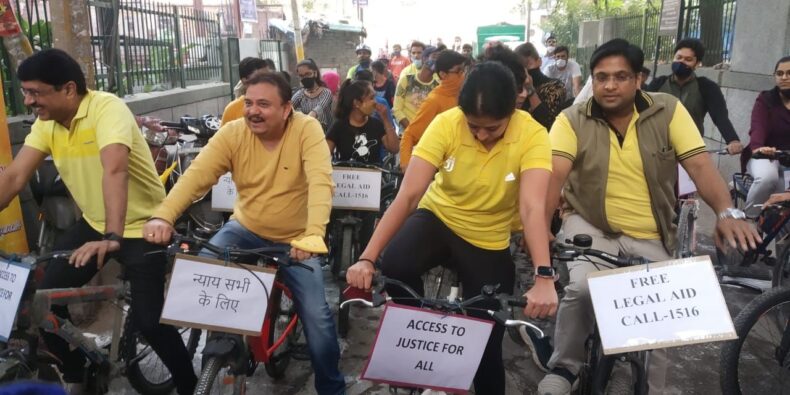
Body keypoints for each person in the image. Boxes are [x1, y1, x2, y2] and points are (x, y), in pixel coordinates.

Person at [537, 39, 760, 395]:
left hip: (651, 234)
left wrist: (726, 211)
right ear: (592, 80)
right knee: (581, 288)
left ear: (639, 79)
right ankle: (566, 366)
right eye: (601, 77)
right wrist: (540, 231)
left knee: (661, 318)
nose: (610, 85)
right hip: (590, 225)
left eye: (621, 76)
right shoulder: (571, 119)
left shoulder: (668, 110)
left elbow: (700, 165)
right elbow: (554, 176)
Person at [346, 61, 557, 395]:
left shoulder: (532, 134)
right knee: (397, 263)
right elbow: (410, 194)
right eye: (474, 127)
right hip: (439, 217)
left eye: (493, 128)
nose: (481, 135)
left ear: (512, 112)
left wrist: (544, 276)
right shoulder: (446, 123)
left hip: (488, 237)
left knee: (488, 341)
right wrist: (367, 258)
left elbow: (532, 207)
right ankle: (419, 338)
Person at [0, 49, 197, 394]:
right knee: (39, 300)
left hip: (144, 226)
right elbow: (14, 178)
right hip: (94, 224)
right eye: (26, 92)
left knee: (150, 322)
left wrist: (112, 235)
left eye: (36, 92)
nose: (29, 101)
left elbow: (115, 170)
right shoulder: (47, 123)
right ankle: (80, 372)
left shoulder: (107, 108)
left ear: (69, 89)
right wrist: (103, 230)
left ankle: (189, 384)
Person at [142, 72, 346, 395]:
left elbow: (322, 182)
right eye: (249, 103)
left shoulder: (307, 130)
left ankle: (332, 389)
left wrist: (313, 233)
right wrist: (164, 215)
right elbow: (196, 177)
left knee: (319, 323)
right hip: (246, 228)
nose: (253, 111)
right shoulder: (233, 133)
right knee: (202, 267)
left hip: (297, 239)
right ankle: (227, 339)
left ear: (286, 109)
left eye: (264, 104)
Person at [647, 38, 742, 155]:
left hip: (691, 151)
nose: (681, 62)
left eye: (688, 59)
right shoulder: (658, 84)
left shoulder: (707, 87)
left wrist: (732, 140)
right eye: (679, 57)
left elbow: (720, 117)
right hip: (657, 150)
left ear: (697, 64)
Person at [399, 50, 468, 170]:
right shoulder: (434, 101)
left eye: (463, 70)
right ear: (443, 74)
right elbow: (409, 134)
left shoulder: (465, 95)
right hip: (443, 170)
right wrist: (406, 165)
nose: (463, 75)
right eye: (458, 71)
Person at [742, 56, 790, 215]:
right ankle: (750, 219)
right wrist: (758, 147)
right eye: (780, 73)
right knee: (768, 178)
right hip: (765, 156)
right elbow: (758, 126)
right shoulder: (766, 100)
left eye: (789, 73)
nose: (784, 77)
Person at [326, 79, 399, 164]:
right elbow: (324, 155)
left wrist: (385, 119)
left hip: (373, 176)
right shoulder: (338, 126)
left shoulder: (376, 125)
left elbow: (394, 149)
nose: (375, 102)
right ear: (356, 103)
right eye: (371, 98)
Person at [515, 42, 567, 130]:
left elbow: (547, 121)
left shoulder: (556, 86)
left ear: (539, 61)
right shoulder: (515, 87)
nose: (525, 71)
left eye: (528, 65)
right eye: (521, 67)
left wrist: (530, 89)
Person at [393, 45, 440, 130]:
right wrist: (411, 131)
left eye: (440, 59)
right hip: (407, 132)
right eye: (434, 57)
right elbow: (396, 109)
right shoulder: (406, 80)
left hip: (427, 135)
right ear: (424, 59)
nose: (437, 61)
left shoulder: (438, 86)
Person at [222, 57, 274, 125]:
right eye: (261, 78)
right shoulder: (232, 110)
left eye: (269, 77)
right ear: (245, 81)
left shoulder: (278, 103)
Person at [292, 58, 334, 132]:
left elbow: (317, 110)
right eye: (301, 76)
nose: (305, 78)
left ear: (315, 73)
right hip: (306, 133)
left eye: (308, 74)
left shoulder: (326, 93)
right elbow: (289, 108)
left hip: (325, 135)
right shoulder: (300, 94)